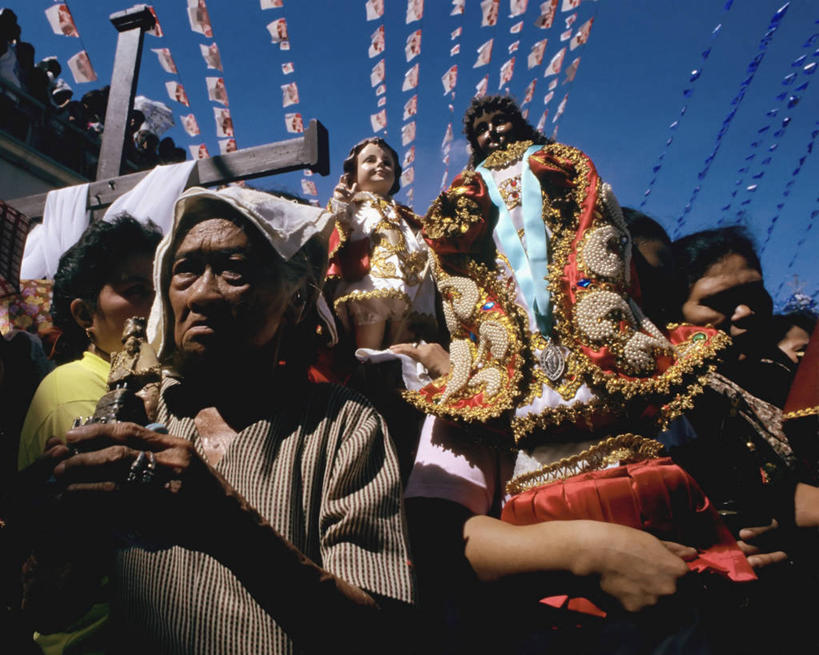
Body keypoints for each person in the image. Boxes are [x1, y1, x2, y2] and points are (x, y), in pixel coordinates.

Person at [403, 95, 760, 653]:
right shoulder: (482, 391)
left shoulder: (690, 377)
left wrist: (747, 538)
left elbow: (745, 495)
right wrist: (590, 553)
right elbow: (437, 538)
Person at [19, 186, 414, 654]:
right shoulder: (144, 412)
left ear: (296, 301)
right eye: (185, 271)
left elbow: (377, 635)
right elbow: (49, 609)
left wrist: (225, 525)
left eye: (234, 271)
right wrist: (60, 532)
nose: (203, 294)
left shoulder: (345, 425)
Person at [18, 215, 161, 470]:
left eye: (161, 289)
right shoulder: (72, 391)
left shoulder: (154, 376)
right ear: (85, 314)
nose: (158, 304)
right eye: (136, 290)